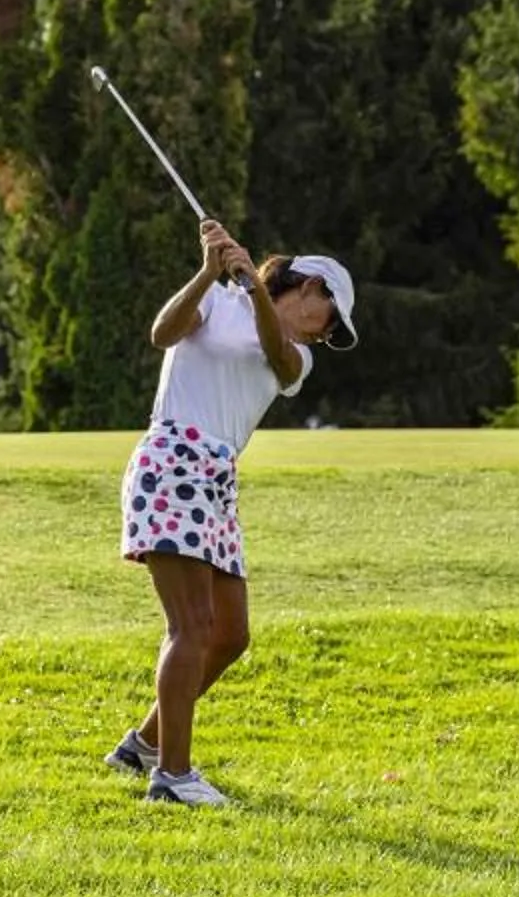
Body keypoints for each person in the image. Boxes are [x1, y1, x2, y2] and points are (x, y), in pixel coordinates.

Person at [104, 218, 357, 807]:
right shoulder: (216, 303)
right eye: (331, 318)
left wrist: (250, 287)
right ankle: (172, 777)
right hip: (172, 462)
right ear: (310, 288)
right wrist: (208, 272)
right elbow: (163, 333)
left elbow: (278, 355)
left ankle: (141, 747)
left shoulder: (295, 354)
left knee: (230, 634)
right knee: (190, 628)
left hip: (215, 480)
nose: (326, 333)